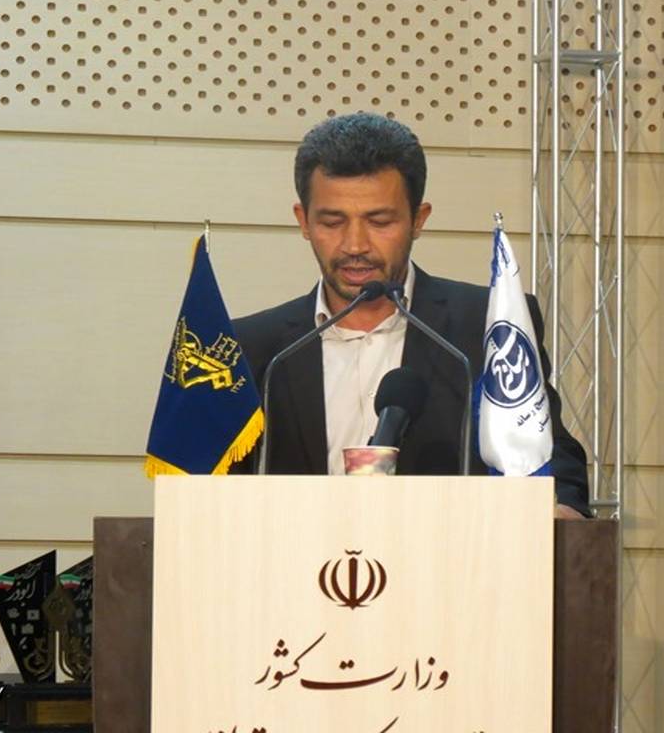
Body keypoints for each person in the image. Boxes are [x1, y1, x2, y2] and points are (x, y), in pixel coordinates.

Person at [233, 113, 589, 518]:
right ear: (303, 221)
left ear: (418, 219)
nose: (355, 245)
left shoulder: (486, 327)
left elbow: (550, 457)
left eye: (379, 221)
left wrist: (561, 510)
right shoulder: (256, 350)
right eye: (332, 222)